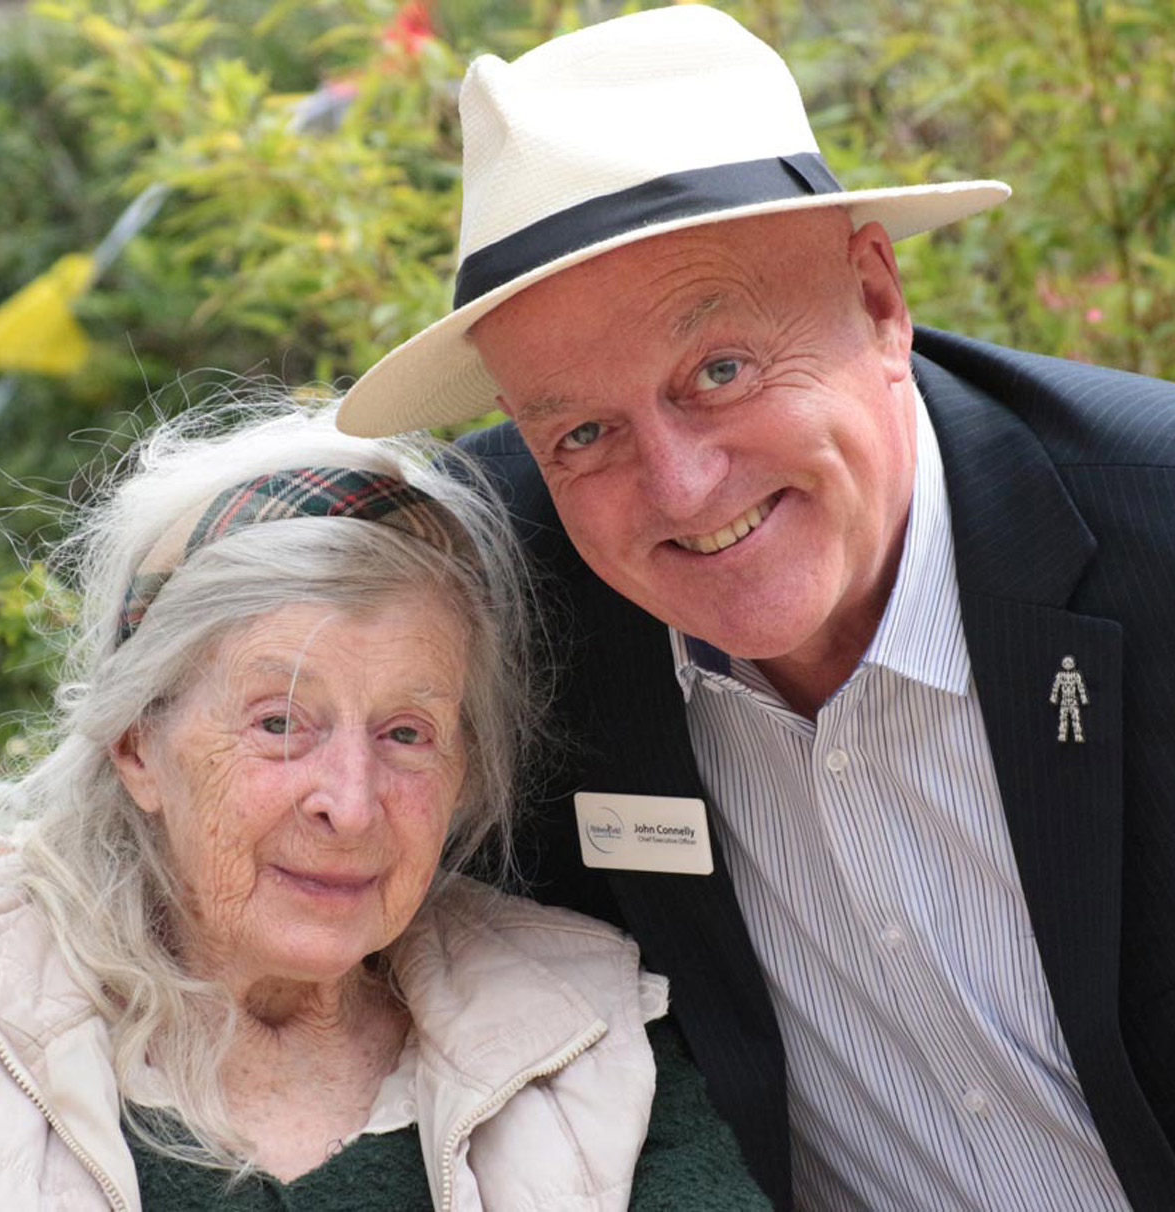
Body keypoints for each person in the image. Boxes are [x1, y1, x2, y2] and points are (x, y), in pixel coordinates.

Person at [335, 6, 1175, 1210]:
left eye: (719, 371)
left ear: (880, 303)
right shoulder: (509, 596)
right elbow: (228, 647)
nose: (679, 488)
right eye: (583, 431)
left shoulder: (1156, 534)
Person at [0, 404, 767, 1209]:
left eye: (407, 734)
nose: (350, 803)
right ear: (139, 744)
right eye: (279, 724)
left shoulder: (583, 1028)